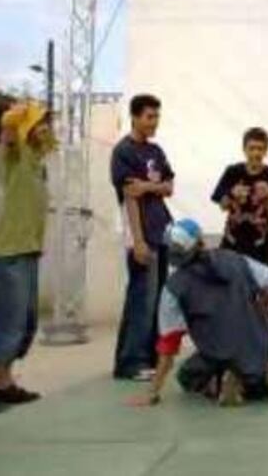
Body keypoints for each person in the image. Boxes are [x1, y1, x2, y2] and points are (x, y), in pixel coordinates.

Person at [126, 219, 268, 407]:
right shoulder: (235, 259)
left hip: (218, 352)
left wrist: (152, 393)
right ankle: (260, 379)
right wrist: (263, 304)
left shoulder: (173, 289)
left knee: (187, 375)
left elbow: (168, 346)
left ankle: (218, 382)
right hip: (258, 348)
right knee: (251, 365)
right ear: (200, 242)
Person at [0, 102, 57, 416]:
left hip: (29, 252)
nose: (47, 128)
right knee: (6, 321)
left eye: (48, 123)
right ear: (27, 130)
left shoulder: (36, 162)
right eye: (41, 124)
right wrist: (19, 115)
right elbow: (8, 131)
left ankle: (4, 384)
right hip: (10, 254)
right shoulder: (14, 156)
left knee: (25, 323)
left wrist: (42, 122)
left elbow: (50, 142)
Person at [211, 127, 268, 363]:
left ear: (266, 150)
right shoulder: (232, 172)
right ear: (244, 149)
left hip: (261, 243)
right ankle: (227, 340)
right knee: (227, 291)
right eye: (252, 148)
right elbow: (221, 204)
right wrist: (231, 194)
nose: (256, 153)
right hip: (233, 241)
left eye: (260, 148)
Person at [111, 94, 175, 381]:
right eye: (149, 116)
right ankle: (130, 362)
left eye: (157, 116)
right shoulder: (123, 152)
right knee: (142, 299)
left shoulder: (156, 151)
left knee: (159, 298)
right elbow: (130, 197)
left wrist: (149, 186)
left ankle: (149, 356)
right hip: (143, 235)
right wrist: (137, 240)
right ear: (135, 117)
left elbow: (169, 186)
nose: (154, 122)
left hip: (162, 233)